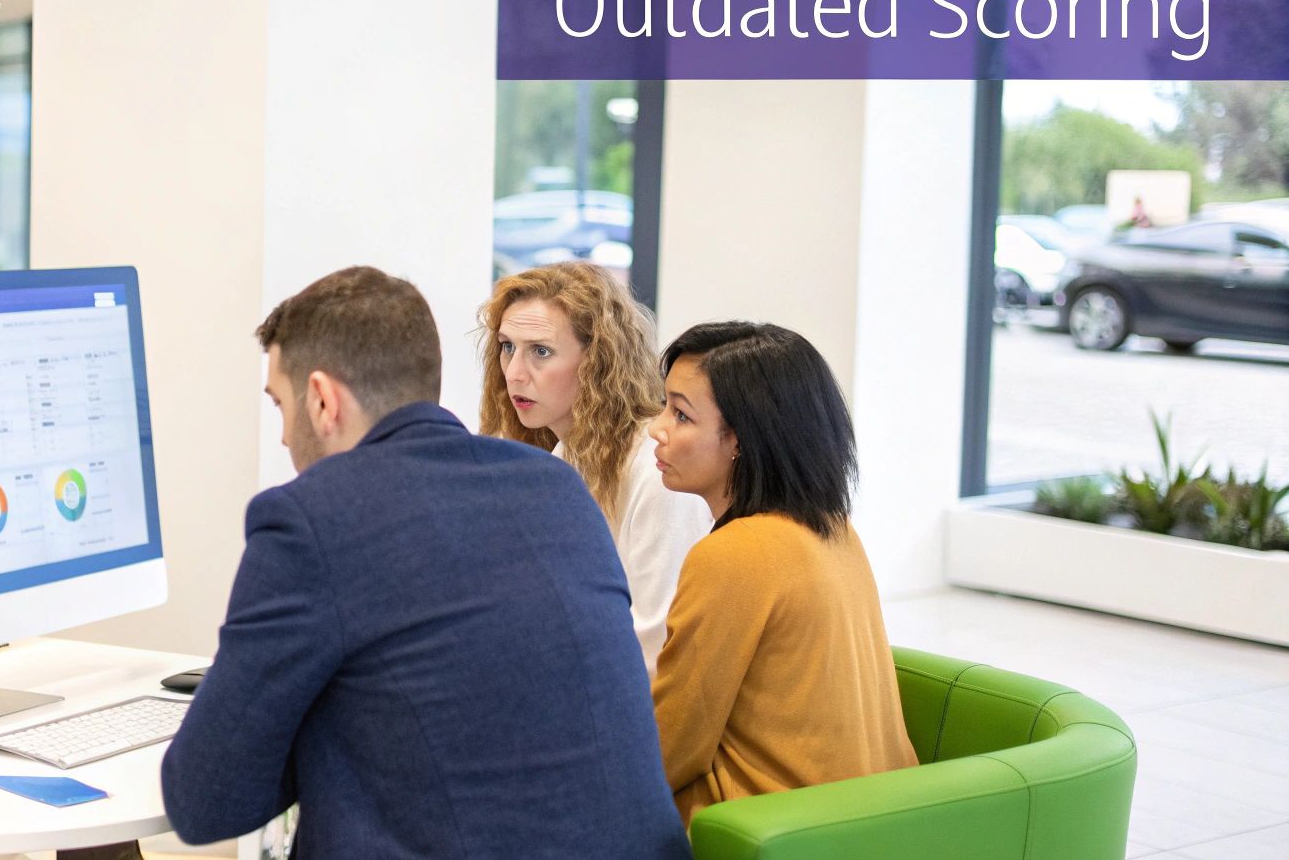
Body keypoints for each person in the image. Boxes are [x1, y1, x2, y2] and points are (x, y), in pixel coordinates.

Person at [161, 266, 690, 859]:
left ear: (321, 399)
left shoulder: (309, 519)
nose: (285, 437)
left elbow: (205, 801)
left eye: (280, 405)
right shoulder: (555, 486)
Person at [647, 321, 916, 827]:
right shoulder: (836, 529)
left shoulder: (733, 554)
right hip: (865, 824)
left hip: (763, 826)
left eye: (681, 414)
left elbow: (669, 745)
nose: (655, 428)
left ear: (742, 442)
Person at [478, 262, 712, 674]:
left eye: (541, 351)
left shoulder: (655, 465)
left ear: (598, 360)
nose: (514, 373)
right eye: (507, 346)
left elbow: (659, 648)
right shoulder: (563, 459)